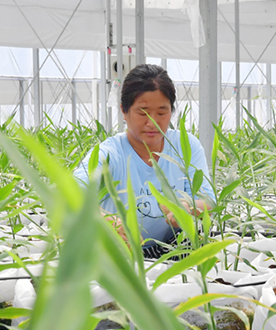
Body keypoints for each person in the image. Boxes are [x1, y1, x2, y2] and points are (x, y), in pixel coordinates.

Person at [73, 64, 216, 257]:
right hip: (119, 251)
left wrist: (187, 208)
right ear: (124, 111)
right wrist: (108, 220)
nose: (152, 122)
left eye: (161, 112)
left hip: (170, 247)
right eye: (143, 113)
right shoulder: (109, 153)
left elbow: (208, 198)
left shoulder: (185, 146)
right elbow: (71, 193)